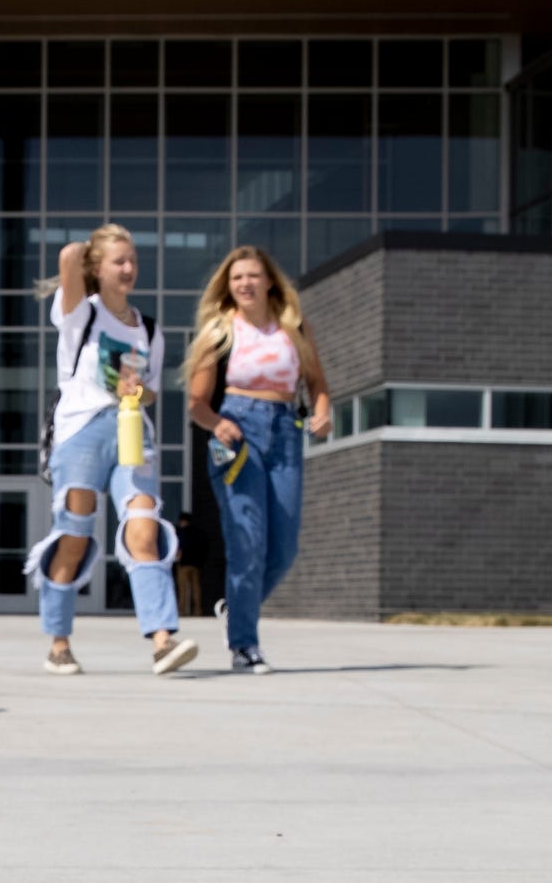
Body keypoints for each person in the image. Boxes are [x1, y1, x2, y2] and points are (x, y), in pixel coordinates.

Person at [35, 225, 197, 677]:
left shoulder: (149, 329)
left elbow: (152, 395)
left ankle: (163, 640)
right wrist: (88, 253)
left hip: (131, 431)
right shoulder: (77, 313)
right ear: (97, 267)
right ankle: (59, 641)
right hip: (81, 431)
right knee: (75, 535)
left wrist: (139, 389)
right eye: (118, 261)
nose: (129, 269)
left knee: (144, 526)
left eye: (133, 261)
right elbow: (68, 254)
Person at [184, 244, 332, 672]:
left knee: (283, 549)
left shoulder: (295, 327)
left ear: (269, 280)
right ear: (228, 288)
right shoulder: (220, 331)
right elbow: (196, 402)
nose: (245, 283)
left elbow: (318, 383)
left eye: (252, 275)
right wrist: (215, 423)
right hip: (236, 433)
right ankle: (244, 645)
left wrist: (322, 411)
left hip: (286, 431)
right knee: (246, 543)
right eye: (236, 278)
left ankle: (237, 606)